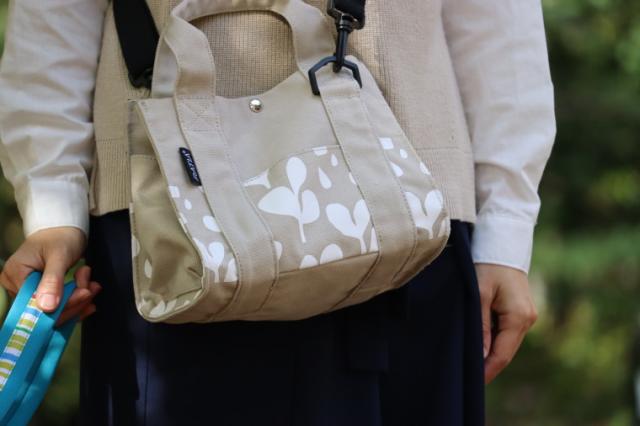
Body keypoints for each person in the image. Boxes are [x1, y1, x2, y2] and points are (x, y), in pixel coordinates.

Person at [0, 0, 555, 424]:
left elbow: (495, 22)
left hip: (407, 221)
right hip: (169, 233)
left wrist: (505, 228)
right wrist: (53, 204)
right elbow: (55, 16)